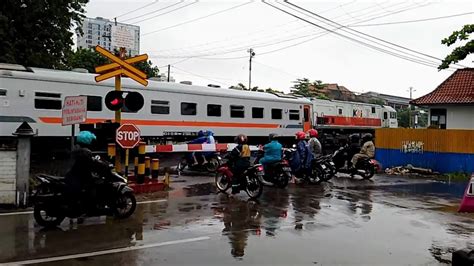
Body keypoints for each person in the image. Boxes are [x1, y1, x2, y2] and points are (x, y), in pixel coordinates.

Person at [64, 131, 107, 208]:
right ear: (88, 141)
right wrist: (102, 166)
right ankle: (90, 207)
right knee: (94, 186)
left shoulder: (76, 150)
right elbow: (92, 164)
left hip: (72, 176)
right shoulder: (85, 152)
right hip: (78, 178)